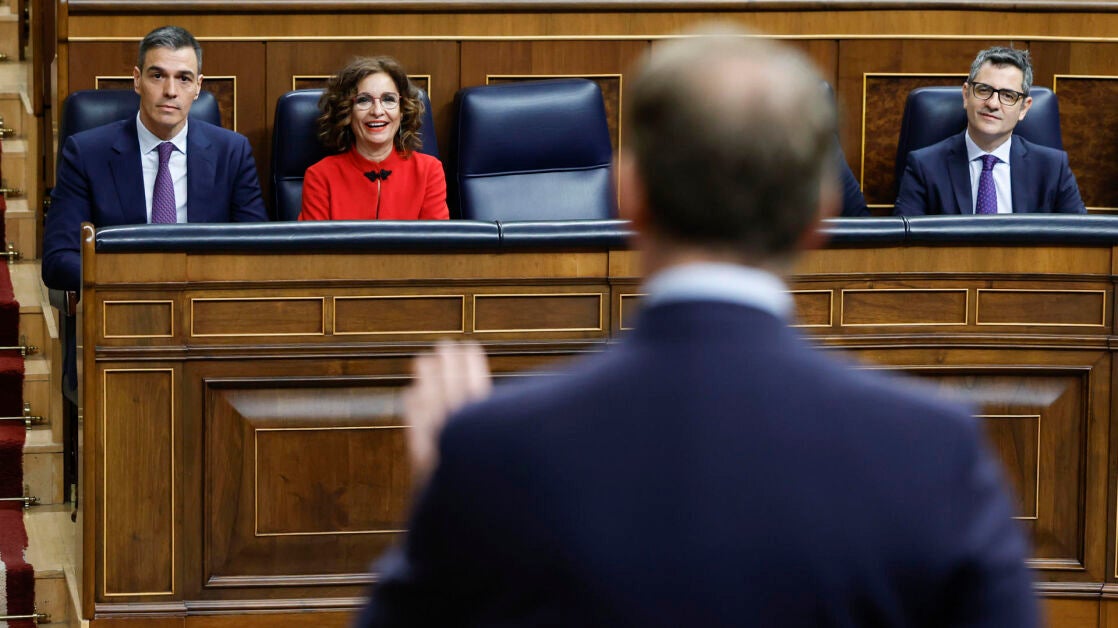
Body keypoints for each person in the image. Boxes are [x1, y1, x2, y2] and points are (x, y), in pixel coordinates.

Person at [358, 28, 1038, 627]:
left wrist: (451, 512)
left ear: (629, 192)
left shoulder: (494, 451)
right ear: (821, 211)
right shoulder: (935, 452)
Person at [43, 25, 268, 292]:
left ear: (198, 86)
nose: (170, 90)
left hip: (206, 302)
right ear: (137, 80)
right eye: (158, 76)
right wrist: (140, 281)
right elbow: (58, 260)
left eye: (183, 78)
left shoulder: (232, 152)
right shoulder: (86, 153)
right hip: (121, 303)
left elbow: (257, 251)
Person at [894, 46, 1084, 216]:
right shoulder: (924, 166)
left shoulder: (1053, 168)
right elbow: (906, 240)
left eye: (1008, 95)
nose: (993, 104)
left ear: (1024, 108)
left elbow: (1081, 237)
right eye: (984, 90)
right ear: (966, 95)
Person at [299, 56, 449, 221]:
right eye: (364, 100)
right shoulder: (320, 176)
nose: (377, 111)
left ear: (402, 110)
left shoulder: (429, 171)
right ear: (347, 111)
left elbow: (435, 237)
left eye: (388, 99)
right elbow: (315, 239)